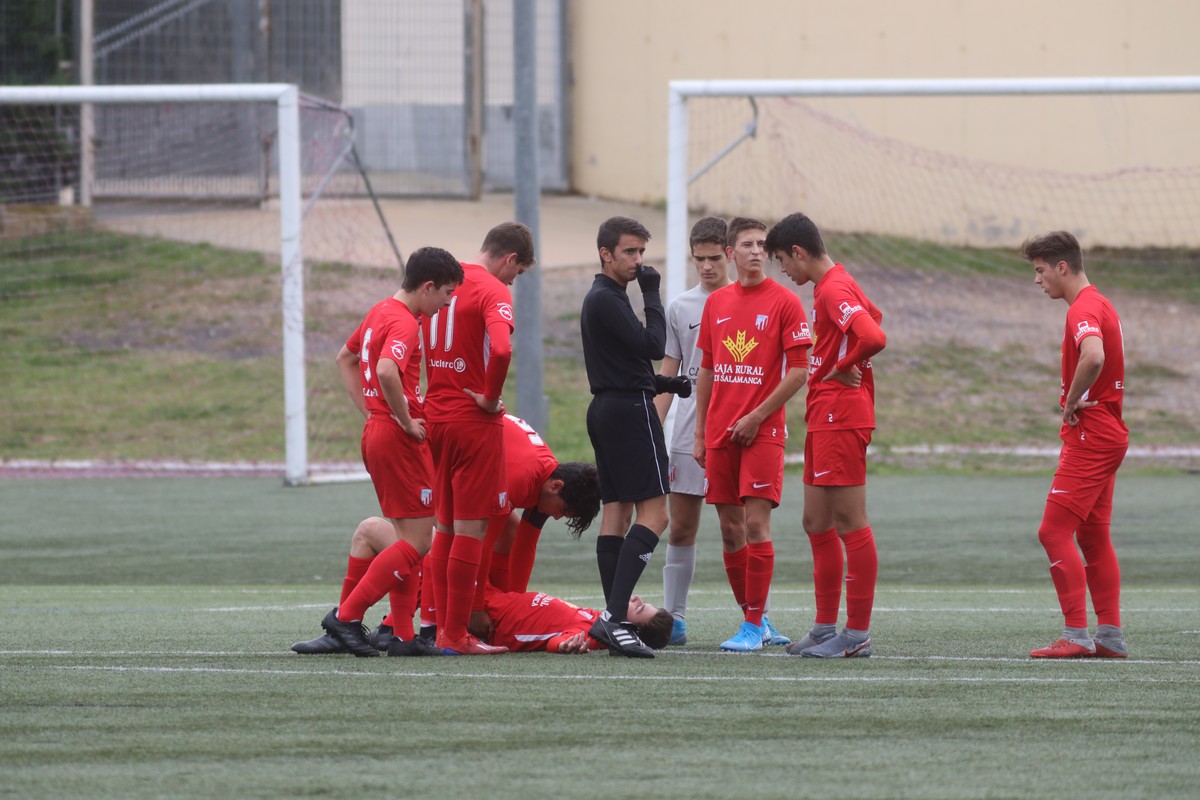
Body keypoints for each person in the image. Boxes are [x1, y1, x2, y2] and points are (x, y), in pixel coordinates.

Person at [292, 414, 602, 656]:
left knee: (499, 528)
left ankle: (391, 628)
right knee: (410, 538)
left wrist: (508, 601)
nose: (558, 517)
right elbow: (480, 544)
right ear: (556, 487)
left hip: (434, 449)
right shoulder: (520, 477)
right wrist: (477, 608)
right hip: (414, 448)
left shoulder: (544, 475)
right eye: (564, 511)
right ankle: (377, 625)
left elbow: (525, 542)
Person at [318, 246, 464, 658]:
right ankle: (346, 617)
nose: (447, 303)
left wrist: (372, 412)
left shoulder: (379, 310)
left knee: (405, 540)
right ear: (428, 286)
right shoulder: (404, 322)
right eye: (447, 293)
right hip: (397, 438)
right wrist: (403, 419)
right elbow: (386, 370)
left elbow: (345, 358)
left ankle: (402, 636)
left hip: (377, 431)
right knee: (418, 543)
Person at [767, 212, 886, 659]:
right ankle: (823, 628)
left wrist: (844, 364)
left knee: (851, 523)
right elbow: (873, 315)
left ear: (798, 252)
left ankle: (857, 635)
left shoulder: (833, 288)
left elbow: (874, 335)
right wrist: (849, 357)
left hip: (842, 415)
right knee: (815, 522)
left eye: (783, 261)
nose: (784, 270)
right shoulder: (832, 285)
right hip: (824, 415)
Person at [692, 217, 811, 652]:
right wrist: (701, 433)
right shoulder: (716, 303)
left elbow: (800, 371)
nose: (757, 251)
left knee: (756, 525)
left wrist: (758, 416)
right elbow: (707, 370)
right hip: (720, 433)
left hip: (763, 431)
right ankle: (755, 620)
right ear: (731, 252)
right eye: (748, 244)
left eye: (763, 244)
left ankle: (751, 626)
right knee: (730, 532)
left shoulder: (785, 302)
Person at [422, 222, 534, 655]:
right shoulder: (492, 289)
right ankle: (455, 634)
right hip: (472, 422)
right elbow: (502, 350)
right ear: (510, 258)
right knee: (471, 529)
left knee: (444, 527)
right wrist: (489, 397)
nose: (514, 281)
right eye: (517, 272)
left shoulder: (444, 281)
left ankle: (435, 626)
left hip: (435, 416)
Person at [580, 216, 687, 658]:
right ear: (605, 254)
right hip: (629, 413)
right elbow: (652, 346)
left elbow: (624, 365)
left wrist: (666, 385)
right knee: (656, 515)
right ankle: (614, 616)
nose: (638, 261)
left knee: (617, 512)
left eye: (642, 252)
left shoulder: (603, 298)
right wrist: (652, 294)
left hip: (608, 408)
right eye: (629, 252)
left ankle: (616, 622)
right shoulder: (608, 298)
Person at [1022, 231, 1129, 659]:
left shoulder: (1083, 308)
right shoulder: (1101, 303)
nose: (1037, 280)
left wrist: (1070, 400)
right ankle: (1110, 636)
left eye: (1040, 270)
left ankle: (1077, 635)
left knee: (1052, 531)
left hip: (1092, 435)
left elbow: (1094, 355)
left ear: (1062, 267)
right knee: (1093, 534)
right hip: (1109, 432)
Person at [654, 216, 731, 646]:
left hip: (737, 431)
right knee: (681, 528)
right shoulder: (681, 307)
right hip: (687, 433)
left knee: (739, 529)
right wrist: (651, 426)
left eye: (714, 258)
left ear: (729, 255)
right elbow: (670, 373)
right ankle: (675, 619)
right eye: (699, 258)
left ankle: (757, 618)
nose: (706, 266)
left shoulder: (752, 302)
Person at [485, 590, 673, 654]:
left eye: (639, 608)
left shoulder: (593, 634)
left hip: (490, 617)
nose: (637, 598)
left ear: (628, 631)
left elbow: (556, 642)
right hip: (496, 597)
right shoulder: (598, 618)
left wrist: (563, 646)